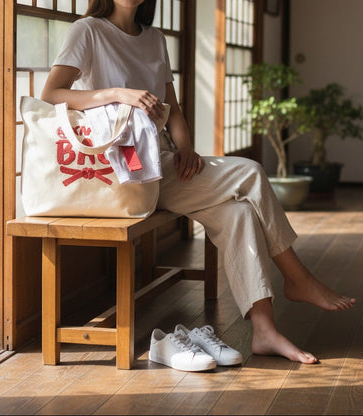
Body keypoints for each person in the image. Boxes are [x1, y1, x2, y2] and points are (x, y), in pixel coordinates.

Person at [41, 0, 356, 365]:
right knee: (251, 172)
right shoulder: (89, 31)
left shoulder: (154, 38)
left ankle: (265, 332)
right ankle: (298, 277)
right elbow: (52, 93)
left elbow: (172, 107)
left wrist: (187, 147)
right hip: (122, 172)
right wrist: (117, 93)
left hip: (163, 162)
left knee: (238, 213)